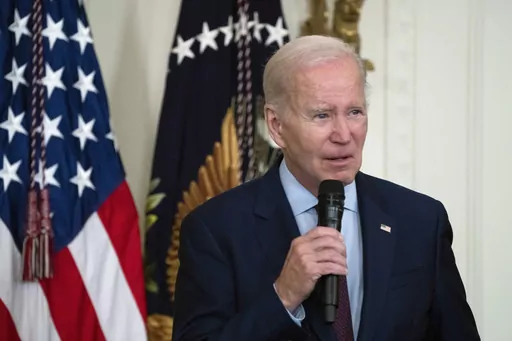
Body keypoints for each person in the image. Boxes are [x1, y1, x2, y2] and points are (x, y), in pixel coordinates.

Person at [171, 35, 480, 341]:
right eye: (322, 115)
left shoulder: (421, 220)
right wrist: (283, 297)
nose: (344, 134)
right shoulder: (215, 230)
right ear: (277, 125)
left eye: (354, 112)